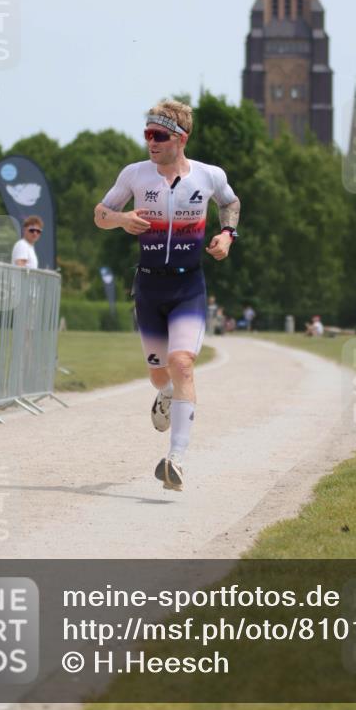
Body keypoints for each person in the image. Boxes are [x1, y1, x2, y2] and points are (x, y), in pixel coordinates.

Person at [94, 99, 240, 492]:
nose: (151, 143)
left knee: (183, 362)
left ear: (181, 139)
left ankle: (176, 460)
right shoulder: (135, 175)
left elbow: (230, 202)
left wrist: (227, 235)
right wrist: (122, 219)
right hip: (149, 286)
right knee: (160, 374)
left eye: (159, 136)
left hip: (188, 285)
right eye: (147, 135)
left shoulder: (209, 176)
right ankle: (166, 394)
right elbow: (100, 214)